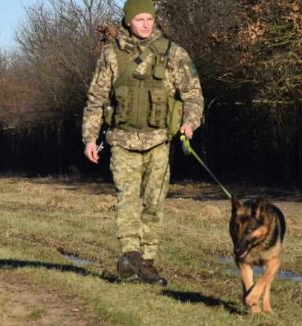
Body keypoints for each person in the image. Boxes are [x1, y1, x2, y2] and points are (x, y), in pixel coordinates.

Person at [81, 0, 203, 286]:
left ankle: (146, 260)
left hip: (159, 141)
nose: (146, 24)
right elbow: (96, 99)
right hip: (122, 141)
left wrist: (189, 123)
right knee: (128, 199)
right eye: (140, 19)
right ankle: (132, 255)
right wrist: (90, 137)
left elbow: (193, 94)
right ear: (128, 22)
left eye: (150, 18)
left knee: (153, 202)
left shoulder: (173, 53)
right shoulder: (111, 55)